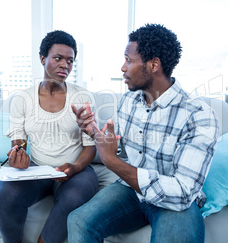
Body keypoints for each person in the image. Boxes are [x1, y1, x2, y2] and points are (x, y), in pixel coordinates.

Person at [69, 24, 219, 243]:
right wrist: (94, 133)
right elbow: (118, 147)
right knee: (78, 221)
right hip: (130, 191)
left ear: (154, 65)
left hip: (174, 201)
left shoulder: (198, 115)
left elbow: (183, 191)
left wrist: (112, 162)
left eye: (129, 61)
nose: (122, 67)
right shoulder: (129, 101)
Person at [0, 30, 99, 243]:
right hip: (38, 168)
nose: (65, 65)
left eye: (70, 61)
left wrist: (75, 167)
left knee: (76, 195)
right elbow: (18, 141)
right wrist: (19, 154)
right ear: (43, 59)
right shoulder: (23, 98)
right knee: (6, 193)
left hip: (76, 169)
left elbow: (91, 146)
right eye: (58, 58)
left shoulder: (83, 97)